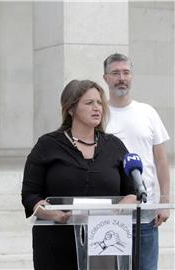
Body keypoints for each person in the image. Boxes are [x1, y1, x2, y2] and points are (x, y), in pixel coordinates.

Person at [21, 79, 137, 270]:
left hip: (105, 245)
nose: (97, 108)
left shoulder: (114, 146)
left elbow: (132, 192)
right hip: (56, 244)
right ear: (70, 109)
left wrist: (116, 211)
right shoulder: (47, 145)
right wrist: (49, 213)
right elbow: (30, 195)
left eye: (100, 103)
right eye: (89, 103)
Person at [103, 53, 170, 270]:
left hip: (146, 214)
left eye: (126, 72)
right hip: (108, 215)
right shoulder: (98, 114)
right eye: (115, 73)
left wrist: (164, 202)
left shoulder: (147, 112)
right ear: (105, 78)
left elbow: (161, 160)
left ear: (132, 76)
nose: (121, 77)